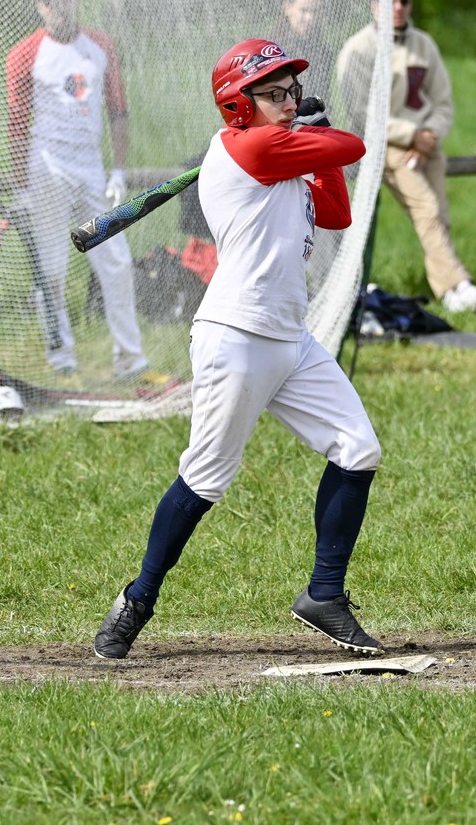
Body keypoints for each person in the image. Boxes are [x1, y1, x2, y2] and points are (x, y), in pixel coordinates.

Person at [94, 39, 384, 660]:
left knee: (358, 449)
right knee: (206, 479)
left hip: (290, 338)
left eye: (292, 91)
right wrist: (318, 135)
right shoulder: (246, 146)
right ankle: (136, 600)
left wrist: (313, 141)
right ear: (237, 106)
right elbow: (354, 147)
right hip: (236, 336)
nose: (288, 101)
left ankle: (324, 595)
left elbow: (334, 212)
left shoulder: (282, 152)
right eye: (273, 93)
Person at [3, 0, 147, 379]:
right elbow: (15, 122)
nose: (56, 6)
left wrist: (118, 169)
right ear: (39, 4)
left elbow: (119, 109)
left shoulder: (100, 45)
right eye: (48, 0)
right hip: (46, 165)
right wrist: (21, 184)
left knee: (115, 260)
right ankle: (61, 357)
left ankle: (130, 358)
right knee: (52, 265)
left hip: (90, 166)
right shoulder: (24, 53)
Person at [337, 0, 476, 312]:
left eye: (404, 1)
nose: (398, 7)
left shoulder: (423, 44)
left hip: (428, 145)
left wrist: (429, 135)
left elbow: (443, 100)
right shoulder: (359, 50)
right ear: (375, 6)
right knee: (427, 209)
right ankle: (457, 284)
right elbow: (361, 112)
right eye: (391, 1)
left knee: (439, 216)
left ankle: (447, 291)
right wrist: (408, 135)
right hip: (388, 146)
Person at [272, 0, 336, 103]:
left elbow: (324, 96)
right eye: (303, 10)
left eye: (314, 11)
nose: (309, 18)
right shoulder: (273, 51)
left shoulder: (323, 51)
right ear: (287, 8)